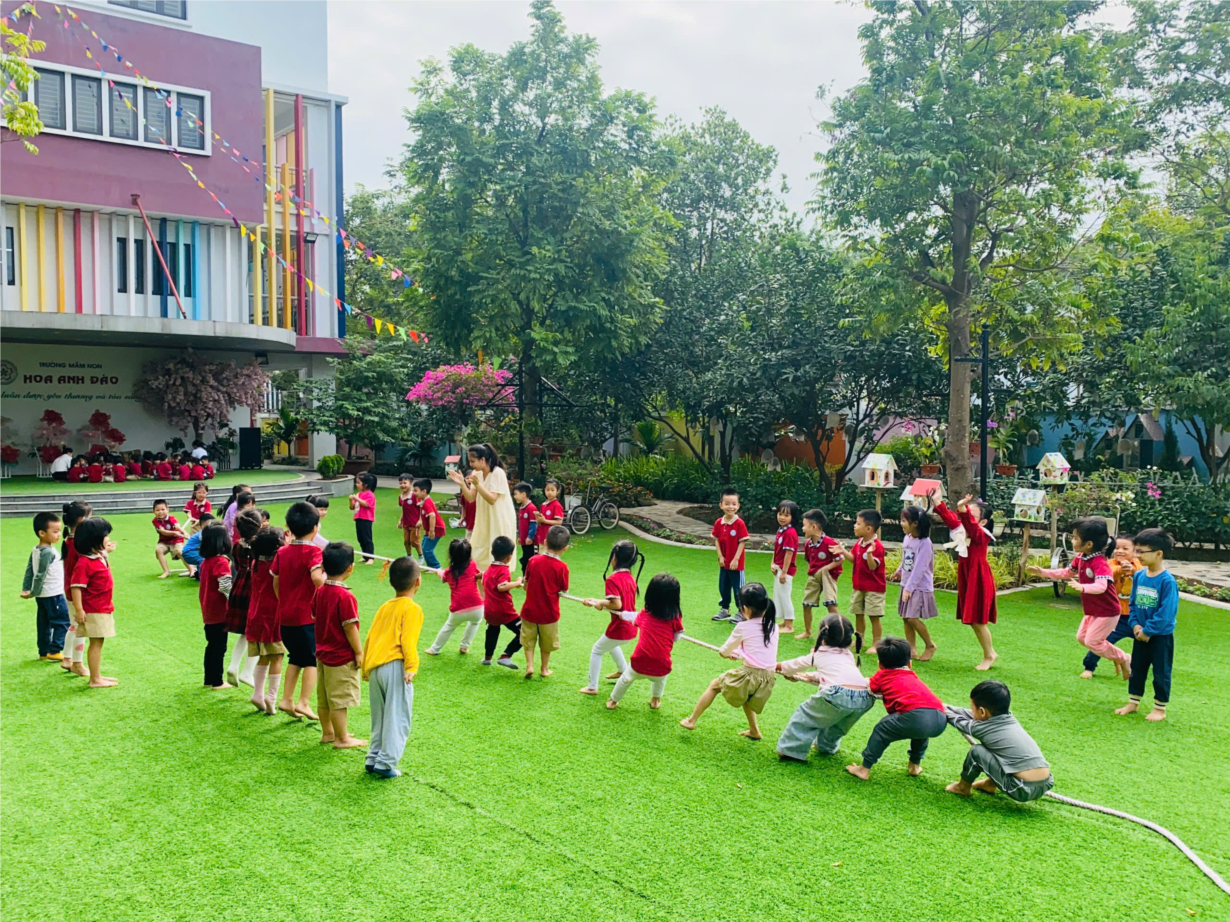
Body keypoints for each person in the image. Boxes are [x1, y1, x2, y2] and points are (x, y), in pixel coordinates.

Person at [1029, 518, 1132, 680]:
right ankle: (1118, 656)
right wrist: (1043, 572)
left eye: (1075, 538)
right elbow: (1066, 573)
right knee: (1082, 638)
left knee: (1093, 642)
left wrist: (1083, 587)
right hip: (1093, 609)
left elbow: (1101, 586)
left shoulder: (1100, 563)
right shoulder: (1081, 558)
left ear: (1089, 544)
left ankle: (1124, 658)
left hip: (1108, 611)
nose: (1072, 540)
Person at [680, 582, 780, 739]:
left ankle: (691, 720)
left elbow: (724, 651)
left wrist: (729, 654)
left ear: (745, 608)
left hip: (750, 675)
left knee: (714, 685)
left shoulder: (743, 627)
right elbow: (759, 649)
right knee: (748, 698)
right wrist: (739, 653)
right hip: (768, 678)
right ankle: (754, 730)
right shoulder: (773, 626)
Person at [846, 636, 947, 781]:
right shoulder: (912, 675)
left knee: (882, 729)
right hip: (939, 718)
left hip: (915, 716)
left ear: (880, 664)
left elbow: (871, 687)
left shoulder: (882, 675)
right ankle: (914, 765)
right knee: (920, 732)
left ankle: (864, 769)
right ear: (910, 664)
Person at [775, 614, 873, 762]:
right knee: (837, 725)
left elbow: (790, 666)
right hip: (864, 697)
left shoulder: (819, 653)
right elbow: (834, 674)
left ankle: (791, 750)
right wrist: (808, 676)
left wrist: (772, 665)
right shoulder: (848, 654)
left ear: (823, 635)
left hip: (837, 695)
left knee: (805, 717)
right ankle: (826, 747)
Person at [363, 556, 425, 779]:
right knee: (397, 716)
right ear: (417, 582)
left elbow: (371, 636)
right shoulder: (412, 609)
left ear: (391, 582)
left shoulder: (385, 607)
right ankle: (386, 762)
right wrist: (412, 666)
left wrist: (365, 667)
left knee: (379, 717)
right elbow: (408, 641)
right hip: (396, 667)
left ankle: (373, 757)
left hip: (376, 667)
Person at [945, 680, 1054, 801]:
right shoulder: (1008, 719)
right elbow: (969, 714)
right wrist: (940, 705)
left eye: (973, 707)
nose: (971, 710)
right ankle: (989, 785)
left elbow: (957, 721)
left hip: (1021, 788)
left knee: (977, 751)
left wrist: (938, 708)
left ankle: (962, 788)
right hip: (1045, 783)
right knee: (1000, 751)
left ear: (982, 711)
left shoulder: (984, 728)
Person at [1117, 528, 1179, 722]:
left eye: (1141, 552)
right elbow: (1133, 603)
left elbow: (1166, 613)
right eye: (1136, 551)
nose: (1137, 556)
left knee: (1161, 672)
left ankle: (1160, 708)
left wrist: (1149, 630)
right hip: (1140, 634)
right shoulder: (1139, 576)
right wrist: (1135, 625)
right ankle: (1133, 702)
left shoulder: (1167, 581)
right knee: (1137, 668)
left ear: (1158, 554)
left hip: (1160, 637)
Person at [273, 502, 326, 720]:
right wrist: (328, 586)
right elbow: (316, 577)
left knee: (295, 657)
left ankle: (286, 699)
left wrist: (283, 601)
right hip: (307, 617)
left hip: (285, 616)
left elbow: (276, 581)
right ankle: (303, 702)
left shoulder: (282, 552)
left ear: (289, 526)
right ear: (315, 527)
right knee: (312, 659)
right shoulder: (314, 551)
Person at [935, 493, 999, 670]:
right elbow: (950, 519)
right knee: (972, 619)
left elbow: (970, 526)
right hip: (968, 576)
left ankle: (989, 654)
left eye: (972, 514)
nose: (967, 516)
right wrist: (937, 501)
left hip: (978, 577)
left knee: (978, 619)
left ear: (983, 522)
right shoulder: (964, 531)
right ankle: (989, 653)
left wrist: (962, 509)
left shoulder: (982, 534)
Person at [313, 542, 366, 749]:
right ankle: (342, 738)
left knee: (324, 698)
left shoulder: (320, 591)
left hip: (322, 653)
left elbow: (314, 614)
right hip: (341, 656)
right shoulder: (345, 596)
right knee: (339, 701)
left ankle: (328, 732)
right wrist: (359, 652)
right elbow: (350, 627)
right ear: (350, 567)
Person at [607, 573, 684, 710]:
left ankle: (613, 701)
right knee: (661, 679)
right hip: (662, 664)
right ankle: (655, 700)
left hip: (639, 661)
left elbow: (635, 621)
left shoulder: (645, 613)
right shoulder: (675, 617)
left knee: (626, 679)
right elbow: (676, 638)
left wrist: (624, 615)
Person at [580, 539, 644, 695]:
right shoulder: (630, 577)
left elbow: (616, 604)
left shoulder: (612, 579)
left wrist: (600, 603)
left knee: (597, 650)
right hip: (631, 626)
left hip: (620, 627)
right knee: (611, 645)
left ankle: (592, 687)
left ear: (614, 558)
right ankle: (622, 670)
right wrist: (597, 601)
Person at [448, 443, 516, 572]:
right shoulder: (476, 473)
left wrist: (478, 485)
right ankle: (481, 584)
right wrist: (462, 484)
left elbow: (492, 499)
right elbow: (471, 498)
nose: (471, 464)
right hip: (483, 519)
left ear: (482, 460)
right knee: (477, 553)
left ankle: (496, 582)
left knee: (497, 554)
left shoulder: (497, 473)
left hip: (498, 518)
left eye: (473, 461)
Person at [1080, 534, 1140, 678]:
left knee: (1149, 642)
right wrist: (1122, 569)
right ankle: (1089, 667)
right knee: (1100, 640)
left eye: (1125, 548)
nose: (1120, 551)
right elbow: (1109, 574)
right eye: (1117, 548)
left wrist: (1131, 569)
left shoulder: (1139, 565)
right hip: (1115, 616)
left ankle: (1144, 665)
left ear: (1134, 551)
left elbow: (1144, 573)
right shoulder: (1108, 564)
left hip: (1135, 616)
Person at [69, 517, 118, 688]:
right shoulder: (84, 563)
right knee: (96, 642)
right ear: (94, 539)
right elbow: (76, 587)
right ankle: (95, 679)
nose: (108, 538)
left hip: (102, 607)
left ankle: (97, 676)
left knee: (99, 641)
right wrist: (79, 609)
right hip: (94, 609)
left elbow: (103, 554)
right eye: (105, 535)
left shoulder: (97, 556)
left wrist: (107, 550)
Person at [520, 524, 570, 680]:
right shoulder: (562, 567)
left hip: (529, 610)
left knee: (528, 640)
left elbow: (526, 583)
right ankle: (544, 668)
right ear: (565, 548)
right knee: (546, 643)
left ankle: (529, 666)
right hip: (549, 613)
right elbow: (564, 589)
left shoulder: (533, 560)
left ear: (545, 542)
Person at [245, 526, 286, 715]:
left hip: (256, 614)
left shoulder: (256, 562)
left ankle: (258, 693)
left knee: (264, 655)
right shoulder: (277, 566)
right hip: (273, 615)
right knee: (277, 656)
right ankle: (271, 696)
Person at [21, 511, 69, 662]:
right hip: (53, 594)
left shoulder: (36, 550)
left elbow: (30, 570)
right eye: (55, 531)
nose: (59, 534)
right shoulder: (48, 552)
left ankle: (43, 651)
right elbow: (39, 574)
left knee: (44, 623)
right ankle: (55, 650)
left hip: (43, 596)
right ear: (42, 533)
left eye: (59, 531)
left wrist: (26, 588)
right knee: (63, 621)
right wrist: (32, 592)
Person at [424, 539, 485, 656]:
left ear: (451, 555)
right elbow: (476, 574)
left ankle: (434, 649)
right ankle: (464, 647)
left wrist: (438, 571)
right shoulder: (473, 564)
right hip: (477, 606)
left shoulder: (449, 572)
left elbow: (443, 578)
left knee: (449, 627)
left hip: (458, 608)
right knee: (475, 623)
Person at [894, 505, 938, 661]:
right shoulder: (908, 538)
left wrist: (910, 587)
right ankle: (911, 650)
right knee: (905, 617)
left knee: (912, 618)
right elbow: (906, 558)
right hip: (906, 584)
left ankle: (930, 645)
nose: (901, 523)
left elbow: (920, 567)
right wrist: (899, 571)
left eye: (904, 520)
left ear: (915, 523)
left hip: (918, 587)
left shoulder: (925, 543)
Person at [225, 509, 262, 687]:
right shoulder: (260, 547)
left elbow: (238, 566)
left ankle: (233, 666)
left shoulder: (237, 546)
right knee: (256, 633)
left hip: (239, 588)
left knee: (245, 633)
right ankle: (247, 672)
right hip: (254, 590)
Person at [197, 524, 234, 690]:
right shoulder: (221, 561)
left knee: (211, 645)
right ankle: (217, 681)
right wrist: (233, 601)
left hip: (209, 610)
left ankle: (209, 678)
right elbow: (225, 585)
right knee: (219, 647)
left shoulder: (206, 562)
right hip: (220, 611)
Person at [799, 508, 843, 640]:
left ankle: (841, 631)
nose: (802, 528)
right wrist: (814, 572)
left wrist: (825, 569)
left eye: (804, 525)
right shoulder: (808, 544)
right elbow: (809, 560)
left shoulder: (829, 542)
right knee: (806, 603)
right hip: (814, 575)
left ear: (813, 527)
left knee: (830, 603)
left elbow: (840, 559)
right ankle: (807, 631)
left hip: (828, 575)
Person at [59, 501, 92, 676]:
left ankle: (67, 658)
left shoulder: (69, 541)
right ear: (80, 521)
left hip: (70, 589)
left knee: (74, 625)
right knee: (80, 627)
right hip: (77, 591)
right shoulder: (77, 544)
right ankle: (77, 663)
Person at [480, 536, 523, 668]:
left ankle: (487, 658)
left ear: (492, 552)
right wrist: (517, 582)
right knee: (525, 632)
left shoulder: (489, 570)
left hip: (489, 610)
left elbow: (487, 580)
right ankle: (506, 655)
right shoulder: (503, 570)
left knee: (492, 630)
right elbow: (501, 586)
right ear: (509, 557)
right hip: (504, 611)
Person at [711, 487, 750, 623]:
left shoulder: (739, 523)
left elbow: (742, 542)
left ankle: (742, 612)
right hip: (724, 563)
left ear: (738, 506)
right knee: (723, 586)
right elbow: (716, 539)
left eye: (734, 504)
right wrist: (720, 556)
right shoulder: (719, 523)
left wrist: (736, 559)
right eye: (727, 503)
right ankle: (725, 610)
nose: (730, 507)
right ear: (721, 505)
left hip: (736, 565)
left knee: (739, 589)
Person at [770, 500, 801, 634]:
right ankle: (784, 621)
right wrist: (773, 563)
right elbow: (777, 549)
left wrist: (784, 572)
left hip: (786, 570)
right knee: (779, 595)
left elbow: (789, 553)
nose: (782, 517)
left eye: (786, 515)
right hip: (779, 567)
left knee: (785, 596)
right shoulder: (781, 530)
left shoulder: (789, 533)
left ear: (792, 517)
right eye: (780, 514)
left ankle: (789, 625)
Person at [413, 479, 446, 570]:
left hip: (437, 529)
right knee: (424, 547)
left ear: (424, 491)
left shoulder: (427, 502)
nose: (414, 493)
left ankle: (436, 566)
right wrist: (420, 521)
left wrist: (432, 531)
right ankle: (430, 566)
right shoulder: (423, 501)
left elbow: (432, 516)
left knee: (427, 549)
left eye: (416, 491)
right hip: (431, 529)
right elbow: (424, 513)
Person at [151, 499, 187, 579]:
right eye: (157, 510)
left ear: (167, 509)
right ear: (153, 511)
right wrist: (174, 532)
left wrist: (184, 533)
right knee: (159, 550)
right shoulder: (155, 521)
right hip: (164, 541)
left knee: (180, 552)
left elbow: (177, 527)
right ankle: (166, 571)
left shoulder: (171, 518)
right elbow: (163, 531)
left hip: (176, 540)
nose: (160, 512)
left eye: (163, 509)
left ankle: (192, 570)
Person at [349, 472, 378, 564]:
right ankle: (365, 556)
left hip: (366, 519)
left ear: (365, 484)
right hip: (358, 518)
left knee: (367, 538)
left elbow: (366, 504)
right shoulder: (358, 494)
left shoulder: (370, 494)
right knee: (360, 538)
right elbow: (352, 507)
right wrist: (351, 500)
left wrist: (356, 498)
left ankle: (371, 557)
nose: (356, 484)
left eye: (358, 483)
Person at [513, 481, 539, 574]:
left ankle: (531, 577)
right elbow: (521, 525)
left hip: (531, 542)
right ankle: (525, 577)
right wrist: (520, 536)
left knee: (530, 560)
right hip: (524, 541)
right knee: (525, 560)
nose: (514, 496)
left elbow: (533, 524)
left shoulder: (531, 508)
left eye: (516, 494)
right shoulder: (522, 508)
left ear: (523, 494)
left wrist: (530, 537)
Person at [396, 474, 423, 560]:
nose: (402, 485)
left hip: (415, 523)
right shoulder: (401, 497)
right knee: (406, 541)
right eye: (400, 483)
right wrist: (400, 521)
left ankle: (421, 556)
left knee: (414, 542)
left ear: (411, 484)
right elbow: (404, 510)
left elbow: (422, 508)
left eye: (405, 483)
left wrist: (420, 520)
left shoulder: (415, 496)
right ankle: (409, 556)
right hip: (406, 523)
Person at [534, 478, 565, 550]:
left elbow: (559, 522)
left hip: (551, 538)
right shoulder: (543, 505)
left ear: (558, 491)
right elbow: (541, 521)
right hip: (542, 537)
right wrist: (538, 519)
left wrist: (544, 521)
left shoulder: (556, 505)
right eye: (547, 490)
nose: (549, 492)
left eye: (552, 490)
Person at [180, 512, 213, 579]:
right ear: (202, 526)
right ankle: (202, 577)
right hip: (189, 552)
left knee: (204, 558)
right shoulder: (202, 534)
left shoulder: (204, 533)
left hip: (193, 551)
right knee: (202, 559)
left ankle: (199, 574)